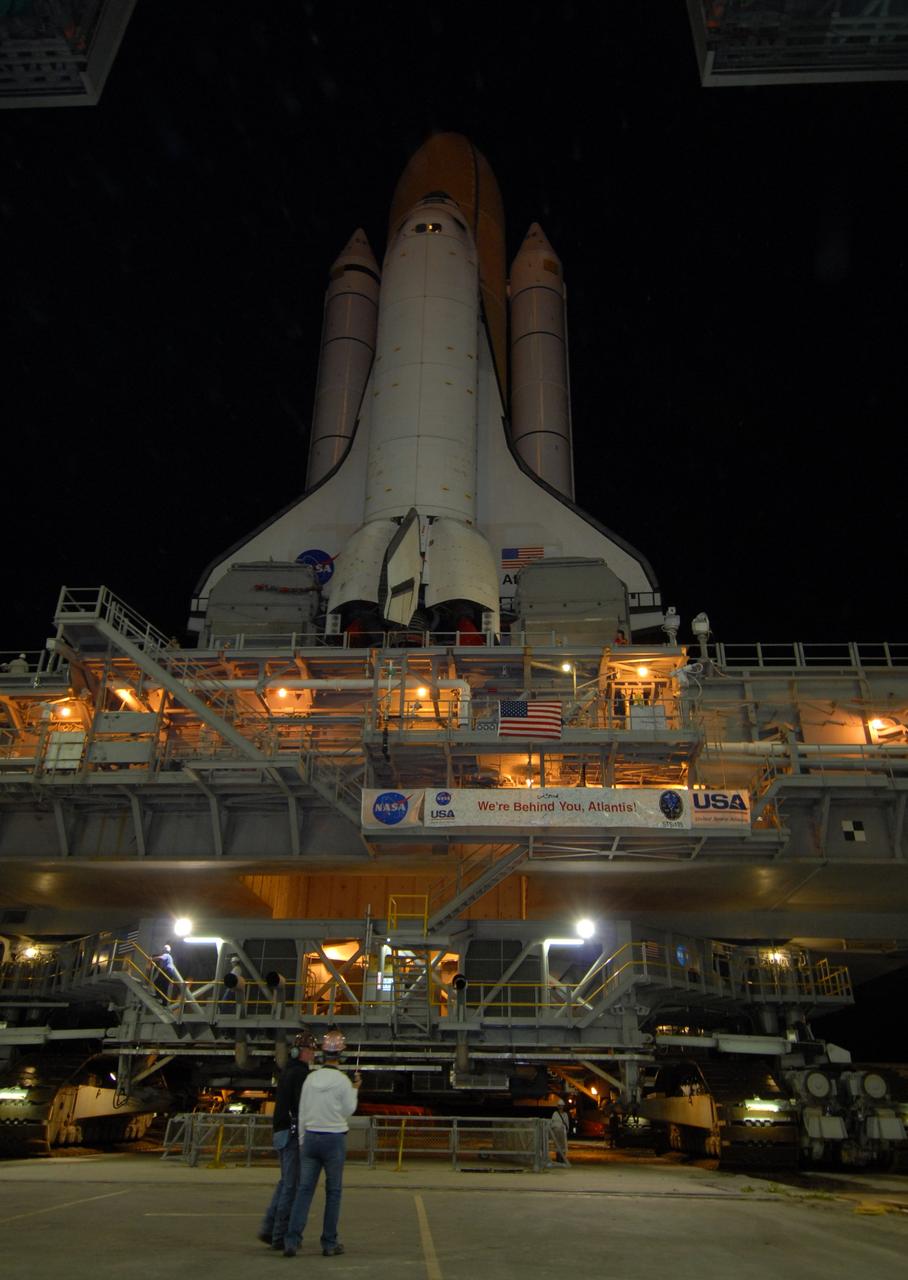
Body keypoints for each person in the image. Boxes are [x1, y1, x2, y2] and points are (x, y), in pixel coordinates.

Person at [283, 1028, 361, 1258]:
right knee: (333, 1192)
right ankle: (329, 1243)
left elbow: (302, 1111)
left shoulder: (310, 1079)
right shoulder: (342, 1082)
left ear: (321, 1054)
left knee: (304, 1190)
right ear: (341, 1055)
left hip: (311, 1139)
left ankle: (292, 1240)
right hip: (334, 1139)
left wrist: (302, 1142)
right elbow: (349, 1110)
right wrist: (355, 1089)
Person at [259, 1032, 317, 1250]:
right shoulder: (301, 1074)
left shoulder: (287, 1072)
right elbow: (300, 1106)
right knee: (292, 1186)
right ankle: (280, 1236)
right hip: (292, 1134)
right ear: (298, 1051)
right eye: (309, 1050)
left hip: (281, 1131)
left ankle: (268, 1228)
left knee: (285, 1183)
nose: (311, 1054)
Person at [549, 1099, 570, 1165]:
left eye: (562, 1106)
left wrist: (566, 1131)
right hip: (556, 1132)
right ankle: (558, 1159)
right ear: (558, 1106)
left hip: (562, 1133)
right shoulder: (555, 1114)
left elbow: (567, 1124)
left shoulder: (565, 1115)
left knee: (563, 1146)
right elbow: (552, 1123)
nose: (561, 1107)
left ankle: (562, 1159)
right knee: (557, 1146)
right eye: (560, 1106)